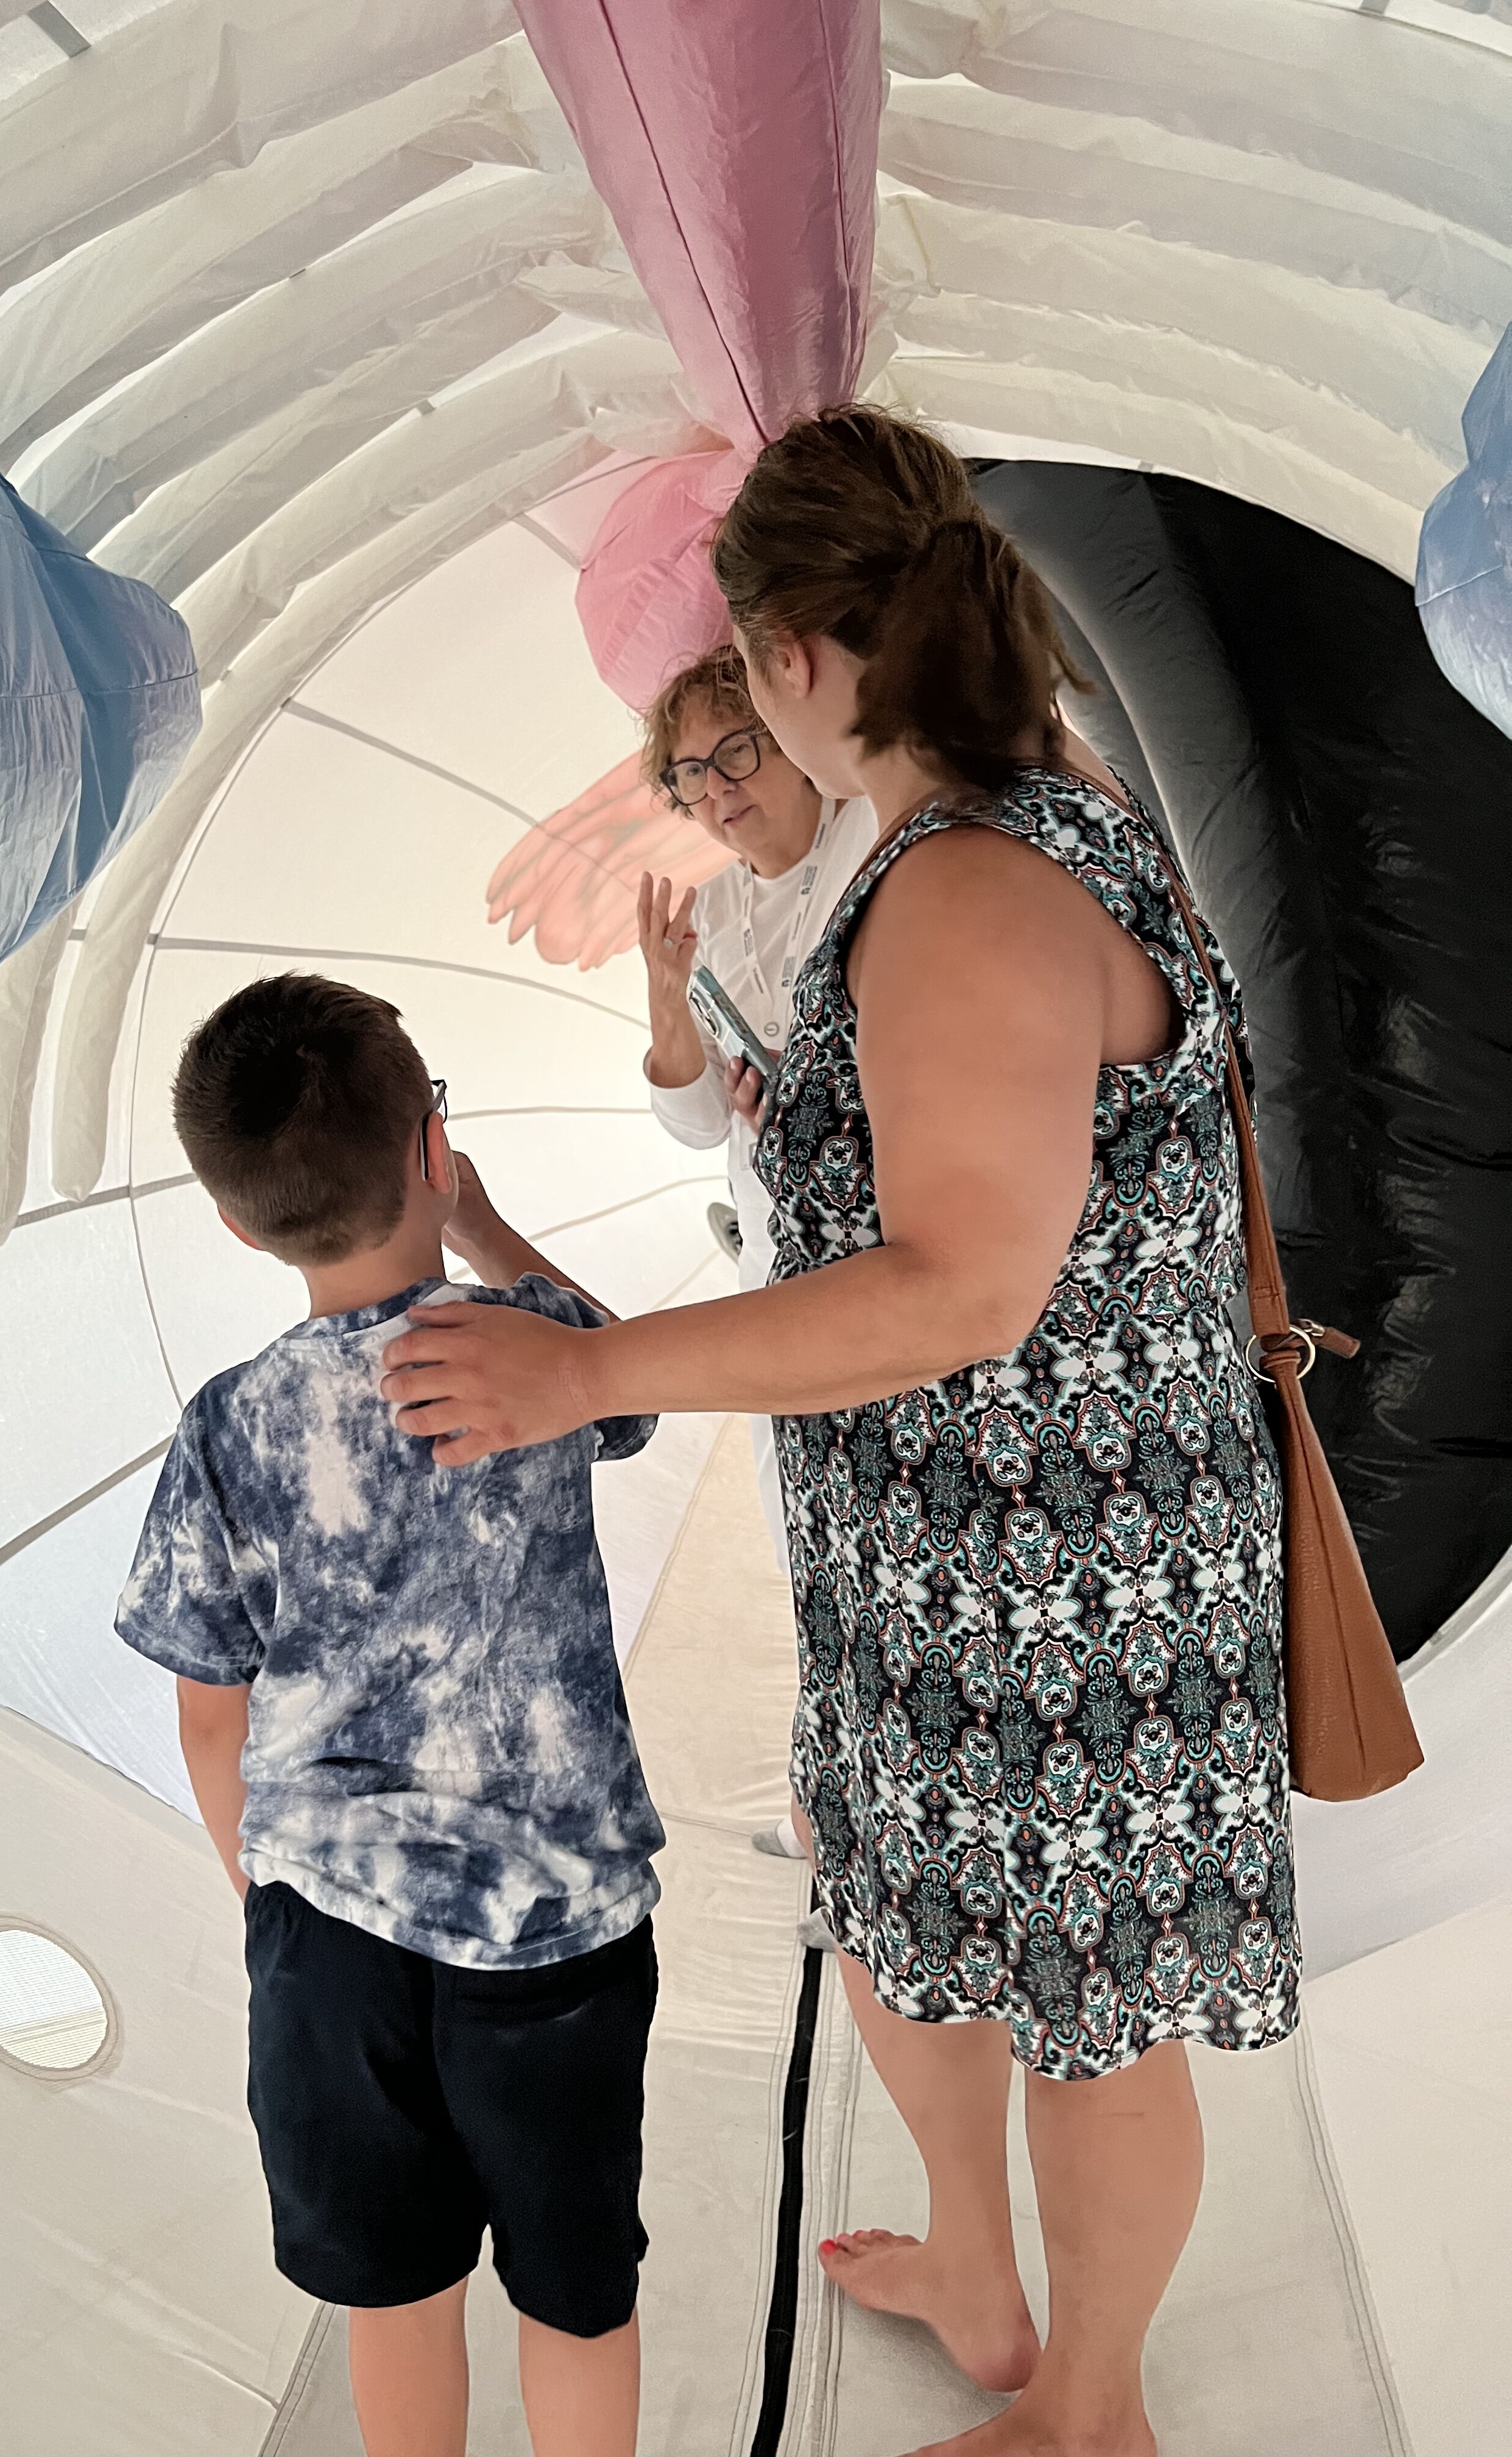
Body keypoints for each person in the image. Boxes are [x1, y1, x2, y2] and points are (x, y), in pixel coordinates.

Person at [377, 406, 1298, 2457]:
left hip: (1072, 1585)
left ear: (790, 661)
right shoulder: (1010, 824)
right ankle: (978, 2272)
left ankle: (1094, 2415)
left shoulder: (972, 886)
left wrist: (585, 1371)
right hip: (938, 1566)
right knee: (904, 1924)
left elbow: (964, 1286)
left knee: (1091, 2021)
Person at [116, 973, 663, 2457]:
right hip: (554, 1933)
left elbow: (207, 1715)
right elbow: (635, 1393)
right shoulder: (540, 1343)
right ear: (434, 1144)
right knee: (573, 2299)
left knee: (394, 2295)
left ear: (236, 1224)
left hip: (329, 1947)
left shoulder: (227, 1424)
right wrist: (481, 1227)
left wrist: (266, 1888)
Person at [635, 647, 877, 1565]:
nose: (718, 789)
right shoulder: (705, 916)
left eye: (738, 750)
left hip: (889, 1235)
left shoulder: (870, 832)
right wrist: (668, 996)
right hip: (780, 1251)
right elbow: (699, 1124)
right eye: (690, 773)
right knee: (804, 1519)